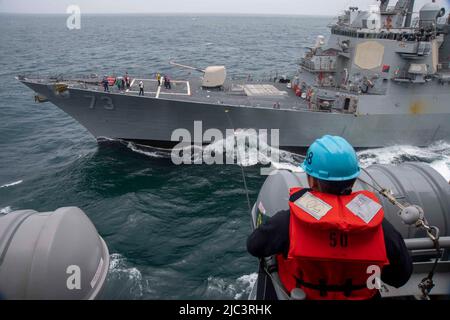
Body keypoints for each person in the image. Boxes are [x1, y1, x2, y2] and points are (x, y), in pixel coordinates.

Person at [247, 135, 413, 300]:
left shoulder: (288, 222)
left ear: (311, 181)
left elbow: (255, 246)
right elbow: (400, 277)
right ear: (353, 181)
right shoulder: (379, 227)